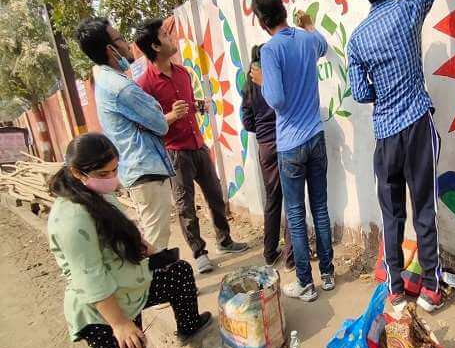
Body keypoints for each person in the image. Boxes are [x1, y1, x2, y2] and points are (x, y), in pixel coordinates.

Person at [48, 133, 213, 348]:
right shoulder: (70, 219)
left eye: (114, 170)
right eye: (103, 174)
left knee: (178, 273)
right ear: (76, 173)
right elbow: (91, 278)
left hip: (130, 286)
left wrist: (144, 247)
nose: (112, 179)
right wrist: (121, 324)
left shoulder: (93, 195)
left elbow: (118, 226)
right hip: (106, 309)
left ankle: (188, 326)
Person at [348, 0, 450, 313]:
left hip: (386, 136)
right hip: (417, 125)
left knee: (392, 212)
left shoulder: (357, 41)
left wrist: (382, 90)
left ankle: (394, 286)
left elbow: (360, 92)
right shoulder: (408, 10)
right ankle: (431, 288)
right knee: (424, 206)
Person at [134, 18, 248, 274]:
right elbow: (143, 124)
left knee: (216, 196)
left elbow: (185, 103)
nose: (170, 38)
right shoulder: (144, 86)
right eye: (164, 35)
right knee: (185, 206)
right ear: (154, 45)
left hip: (198, 145)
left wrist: (197, 106)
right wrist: (170, 117)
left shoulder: (182, 73)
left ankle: (225, 240)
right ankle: (199, 252)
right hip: (175, 152)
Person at [250, 0, 334, 302]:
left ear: (261, 20)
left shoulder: (270, 51)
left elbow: (277, 100)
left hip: (290, 144)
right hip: (315, 136)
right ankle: (327, 274)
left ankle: (305, 284)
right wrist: (310, 24)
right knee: (321, 208)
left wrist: (262, 83)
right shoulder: (306, 38)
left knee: (297, 215)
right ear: (284, 10)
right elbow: (323, 45)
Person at [75, 18, 174, 253]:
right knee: (156, 240)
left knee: (154, 234)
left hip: (138, 169)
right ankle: (156, 287)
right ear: (110, 49)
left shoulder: (108, 80)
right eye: (120, 39)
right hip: (145, 170)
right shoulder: (122, 88)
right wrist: (156, 111)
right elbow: (161, 124)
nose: (127, 44)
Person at [241, 44, 295, 270]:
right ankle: (292, 258)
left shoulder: (249, 84)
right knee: (292, 200)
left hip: (265, 146)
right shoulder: (275, 77)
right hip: (284, 140)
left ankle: (270, 252)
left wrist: (263, 131)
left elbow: (246, 121)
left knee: (273, 200)